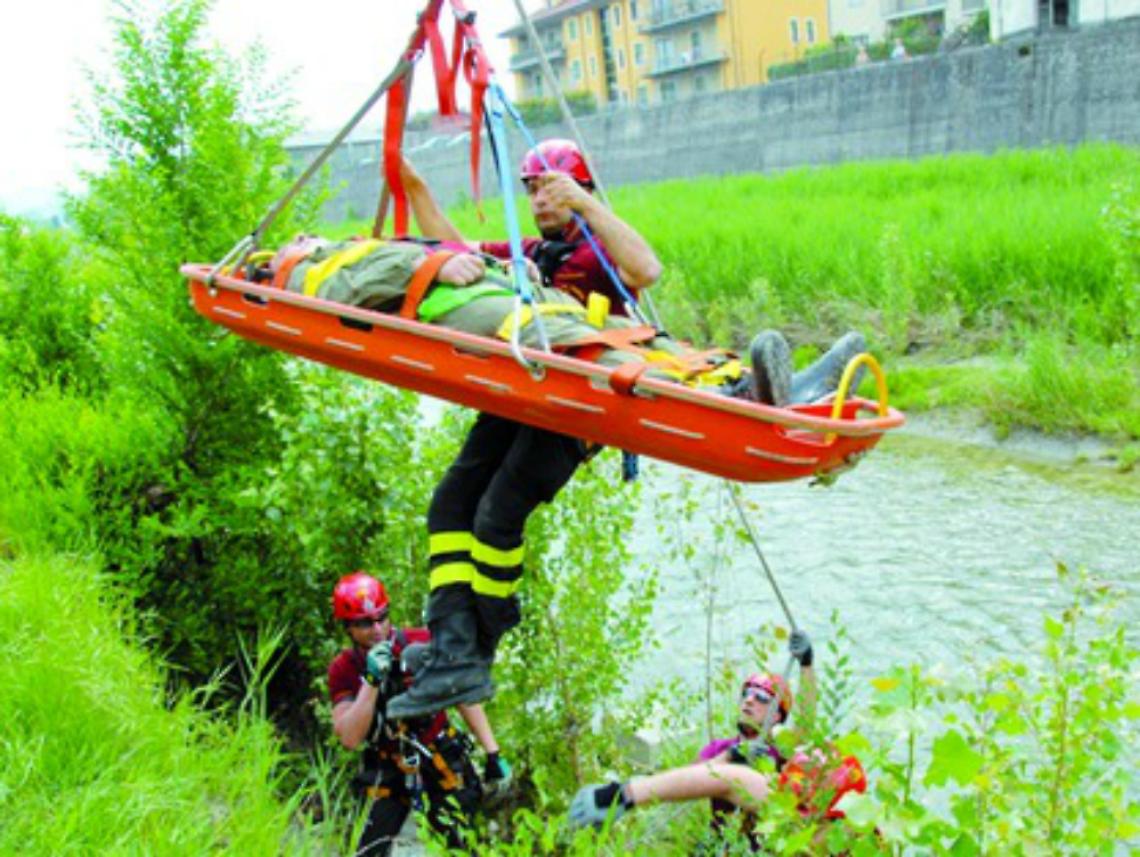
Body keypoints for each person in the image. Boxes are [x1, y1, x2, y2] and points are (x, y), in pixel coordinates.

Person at [565, 630, 864, 839]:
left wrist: (806, 665)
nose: (748, 700)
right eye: (746, 694)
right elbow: (694, 778)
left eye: (761, 698)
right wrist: (731, 756)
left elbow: (806, 723)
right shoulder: (720, 748)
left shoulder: (782, 752)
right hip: (723, 844)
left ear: (777, 715)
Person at [328, 571, 512, 856]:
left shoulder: (420, 643)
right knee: (365, 850)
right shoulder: (344, 669)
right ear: (348, 628)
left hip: (436, 754)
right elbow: (350, 738)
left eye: (382, 618)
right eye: (365, 623)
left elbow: (461, 696)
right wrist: (371, 682)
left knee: (463, 845)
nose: (377, 629)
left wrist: (492, 752)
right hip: (386, 764)